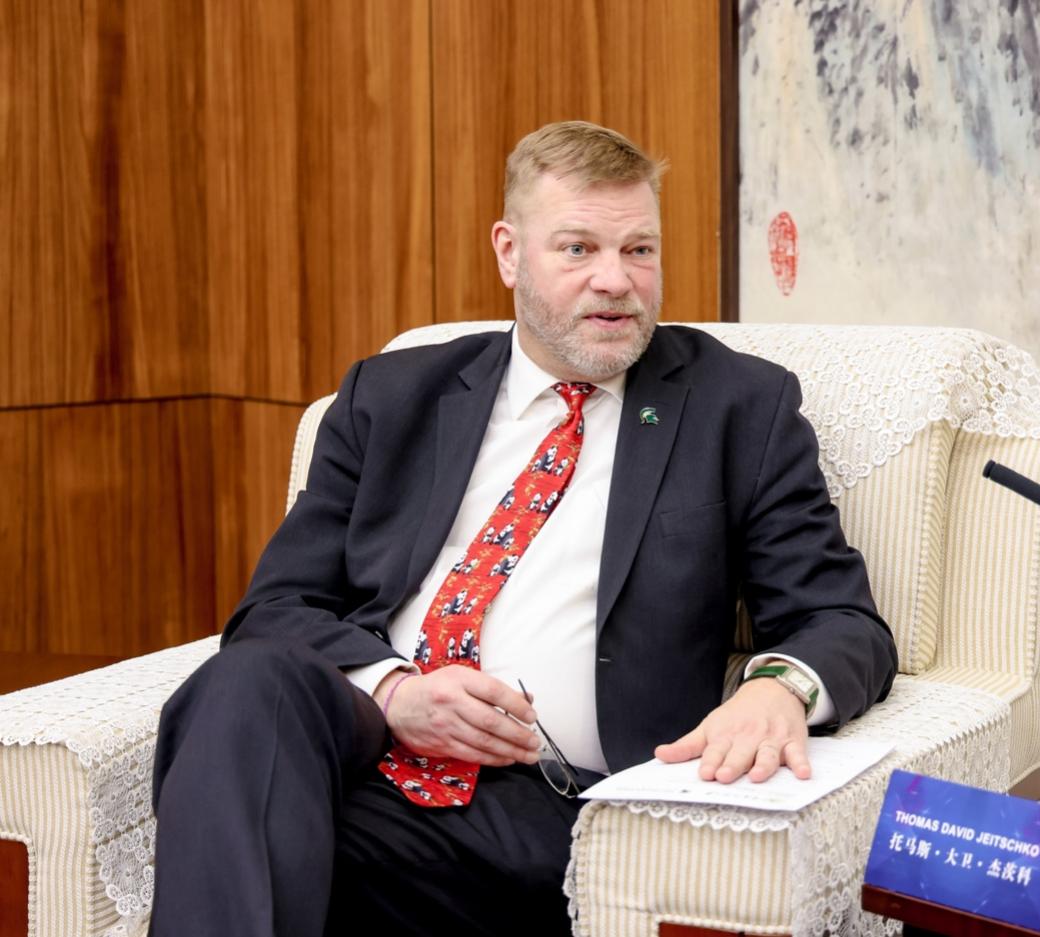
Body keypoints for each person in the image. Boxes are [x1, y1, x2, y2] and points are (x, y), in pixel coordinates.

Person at [149, 121, 897, 937]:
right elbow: (274, 610)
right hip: (365, 765)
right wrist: (396, 693)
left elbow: (840, 619)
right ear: (509, 253)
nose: (615, 281)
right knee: (245, 688)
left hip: (548, 803)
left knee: (255, 855)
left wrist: (776, 688)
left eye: (639, 250)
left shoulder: (737, 407)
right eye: (577, 249)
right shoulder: (390, 396)